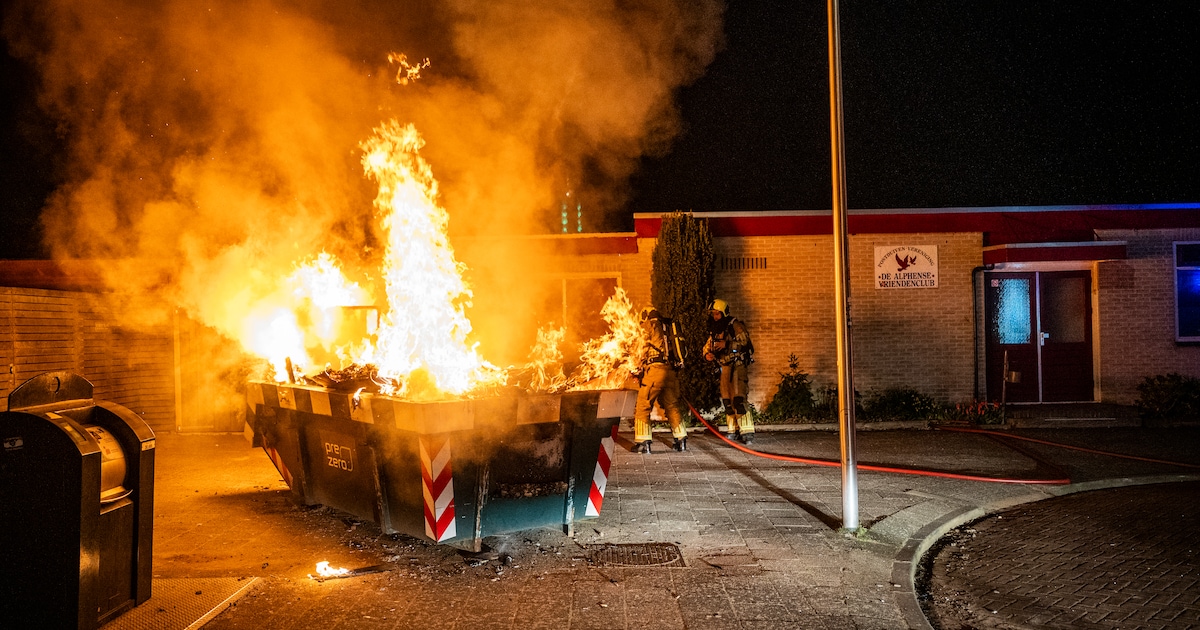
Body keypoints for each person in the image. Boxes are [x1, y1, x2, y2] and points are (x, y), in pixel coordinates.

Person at [630, 306, 688, 453]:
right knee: (672, 405)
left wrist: (634, 369)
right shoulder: (667, 326)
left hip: (654, 371)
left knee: (643, 405)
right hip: (669, 372)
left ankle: (643, 443)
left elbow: (639, 349)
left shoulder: (648, 326)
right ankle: (681, 441)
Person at [703, 298, 755, 444]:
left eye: (717, 314)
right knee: (727, 400)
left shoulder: (735, 325)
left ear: (724, 313)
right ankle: (733, 430)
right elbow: (708, 346)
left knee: (739, 398)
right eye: (713, 314)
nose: (715, 317)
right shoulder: (715, 329)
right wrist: (707, 354)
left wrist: (727, 343)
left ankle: (747, 432)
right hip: (725, 366)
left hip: (738, 365)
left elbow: (746, 344)